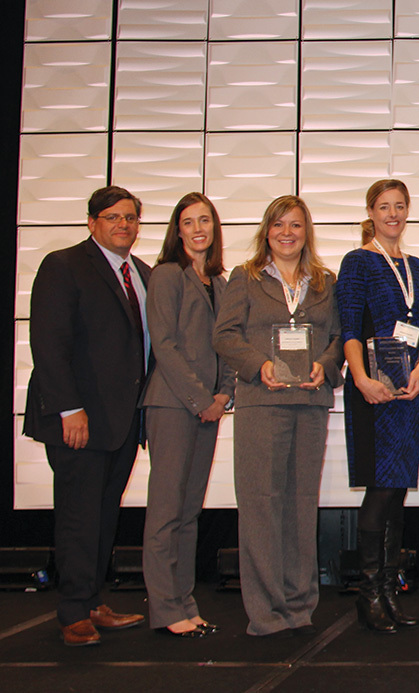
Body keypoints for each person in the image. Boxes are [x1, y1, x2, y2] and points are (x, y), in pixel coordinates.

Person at [213, 195, 344, 638]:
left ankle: (300, 604)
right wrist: (258, 365)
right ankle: (266, 612)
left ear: (307, 233)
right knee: (261, 506)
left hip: (309, 403)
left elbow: (339, 337)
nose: (287, 233)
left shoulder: (325, 282)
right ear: (266, 231)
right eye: (279, 225)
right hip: (262, 403)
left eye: (296, 225)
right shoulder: (245, 278)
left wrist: (325, 367)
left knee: (301, 505)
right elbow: (225, 335)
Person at [25, 185, 151, 646]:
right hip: (78, 419)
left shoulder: (141, 272)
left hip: (121, 420)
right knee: (79, 516)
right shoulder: (64, 265)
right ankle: (73, 610)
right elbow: (49, 344)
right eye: (113, 217)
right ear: (92, 222)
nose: (123, 225)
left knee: (103, 515)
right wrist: (68, 409)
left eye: (131, 218)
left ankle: (94, 600)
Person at [336, 180, 419, 633]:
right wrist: (360, 380)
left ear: (408, 210)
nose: (392, 214)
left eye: (399, 206)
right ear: (371, 213)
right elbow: (350, 328)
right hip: (372, 392)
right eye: (384, 207)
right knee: (379, 491)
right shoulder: (358, 262)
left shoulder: (416, 266)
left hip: (407, 392)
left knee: (397, 493)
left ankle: (390, 594)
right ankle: (368, 596)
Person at [141, 193, 234, 638]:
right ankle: (164, 608)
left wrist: (224, 394)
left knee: (189, 512)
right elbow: (165, 345)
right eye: (189, 221)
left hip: (209, 409)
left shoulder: (220, 281)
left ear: (215, 229)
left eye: (205, 221)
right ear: (177, 230)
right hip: (172, 404)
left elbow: (229, 345)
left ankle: (185, 602)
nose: (198, 228)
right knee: (165, 510)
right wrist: (203, 400)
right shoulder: (166, 275)